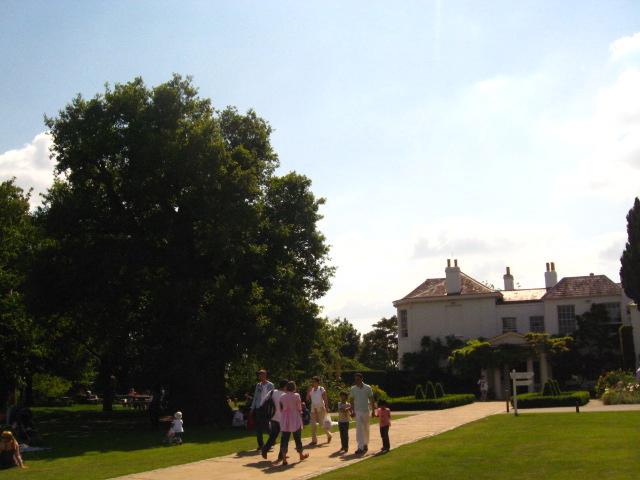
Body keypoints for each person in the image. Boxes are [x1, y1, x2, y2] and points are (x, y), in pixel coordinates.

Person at [277, 381, 309, 466]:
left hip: (285, 419)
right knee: (297, 438)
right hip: (295, 418)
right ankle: (301, 455)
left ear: (287, 388)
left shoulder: (282, 396)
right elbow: (299, 408)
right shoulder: (297, 396)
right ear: (294, 387)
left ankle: (284, 459)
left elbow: (280, 408)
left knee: (284, 439)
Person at [261, 379, 288, 460]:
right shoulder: (285, 395)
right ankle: (281, 455)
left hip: (273, 418)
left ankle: (265, 449)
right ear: (285, 386)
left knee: (273, 436)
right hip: (282, 419)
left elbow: (263, 402)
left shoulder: (272, 392)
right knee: (284, 437)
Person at [349, 372, 375, 455]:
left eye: (358, 379)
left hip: (366, 411)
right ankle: (360, 447)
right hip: (358, 411)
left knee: (366, 429)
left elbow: (371, 399)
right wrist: (352, 411)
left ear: (361, 379)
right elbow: (351, 400)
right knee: (359, 429)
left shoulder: (368, 387)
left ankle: (365, 444)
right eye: (355, 379)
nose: (356, 381)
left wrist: (373, 410)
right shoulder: (353, 388)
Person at [250, 369, 274, 450]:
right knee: (258, 427)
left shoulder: (271, 385)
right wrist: (252, 408)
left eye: (262, 374)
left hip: (266, 408)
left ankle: (271, 442)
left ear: (265, 375)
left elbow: (272, 397)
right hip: (258, 408)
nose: (260, 376)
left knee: (267, 426)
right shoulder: (258, 385)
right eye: (259, 375)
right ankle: (261, 445)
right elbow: (255, 397)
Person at [306, 376, 332, 445]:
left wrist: (327, 407)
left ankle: (329, 435)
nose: (313, 383)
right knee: (313, 425)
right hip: (313, 408)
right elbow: (307, 399)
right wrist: (308, 391)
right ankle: (314, 440)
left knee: (322, 424)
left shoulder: (321, 389)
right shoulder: (311, 390)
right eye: (312, 381)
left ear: (318, 382)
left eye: (314, 381)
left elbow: (325, 398)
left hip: (321, 408)